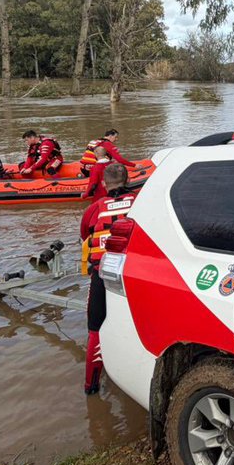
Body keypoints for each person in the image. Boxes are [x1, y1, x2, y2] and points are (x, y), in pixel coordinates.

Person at [80, 163, 136, 395]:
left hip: (102, 275)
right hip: (136, 275)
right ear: (128, 181)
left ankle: (91, 386)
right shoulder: (141, 201)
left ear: (103, 183)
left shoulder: (94, 209)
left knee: (95, 329)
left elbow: (85, 235)